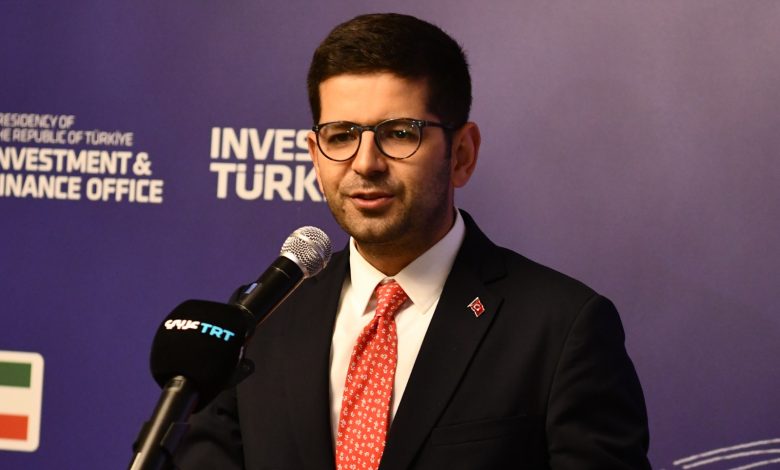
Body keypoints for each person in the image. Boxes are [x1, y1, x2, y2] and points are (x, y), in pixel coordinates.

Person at [175, 12, 650, 469]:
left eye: (400, 134)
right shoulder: (262, 321)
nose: (365, 163)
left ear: (461, 154)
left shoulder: (562, 327)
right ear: (315, 156)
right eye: (340, 136)